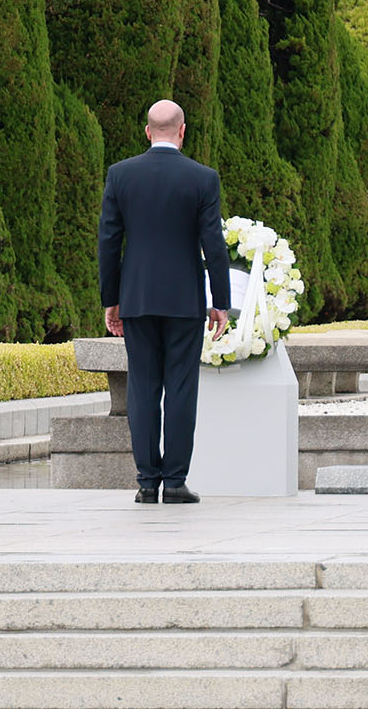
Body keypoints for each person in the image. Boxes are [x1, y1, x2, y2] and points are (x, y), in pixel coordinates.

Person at [97, 100, 231, 505]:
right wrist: (220, 302)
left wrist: (111, 298)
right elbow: (214, 244)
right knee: (181, 388)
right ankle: (174, 482)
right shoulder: (202, 178)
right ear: (183, 131)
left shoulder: (120, 175)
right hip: (184, 300)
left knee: (142, 387)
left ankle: (145, 481)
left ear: (147, 131)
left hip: (136, 298)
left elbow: (108, 242)